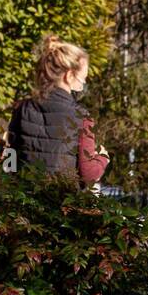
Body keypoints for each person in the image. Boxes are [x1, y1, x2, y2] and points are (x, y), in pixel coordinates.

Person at [7, 36, 109, 184]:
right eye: (83, 79)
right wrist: (102, 158)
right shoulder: (81, 117)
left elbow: (10, 159)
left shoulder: (21, 108)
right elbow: (88, 174)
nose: (83, 84)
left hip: (23, 201)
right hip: (59, 202)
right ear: (69, 76)